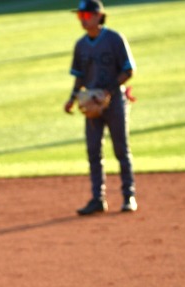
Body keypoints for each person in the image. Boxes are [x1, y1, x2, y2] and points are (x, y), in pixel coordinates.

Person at [64, 0, 138, 215]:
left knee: (121, 150)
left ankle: (129, 196)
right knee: (93, 151)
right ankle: (98, 198)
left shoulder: (115, 39)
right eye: (80, 16)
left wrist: (108, 91)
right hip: (91, 104)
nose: (83, 20)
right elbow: (79, 76)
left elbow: (129, 70)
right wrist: (72, 98)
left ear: (99, 16)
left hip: (115, 103)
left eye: (87, 16)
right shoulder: (81, 45)